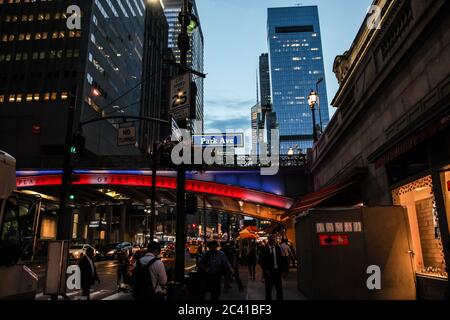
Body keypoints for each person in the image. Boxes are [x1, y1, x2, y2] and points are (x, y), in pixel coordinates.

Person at [259, 235, 284, 300]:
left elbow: (281, 259)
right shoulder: (264, 249)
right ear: (269, 241)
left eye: (274, 240)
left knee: (279, 290)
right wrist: (265, 270)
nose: (274, 241)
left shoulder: (278, 248)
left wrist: (281, 270)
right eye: (272, 240)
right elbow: (260, 261)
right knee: (268, 290)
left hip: (277, 272)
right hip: (269, 273)